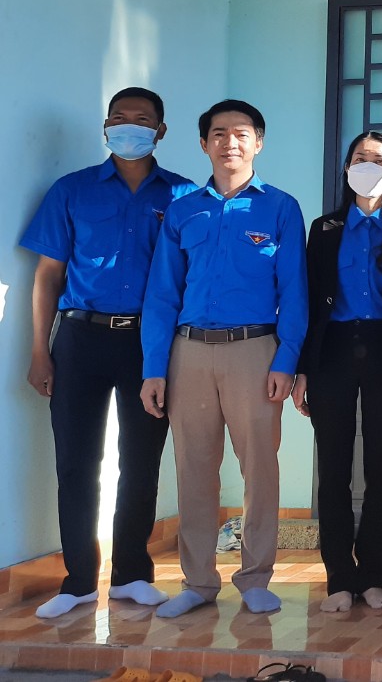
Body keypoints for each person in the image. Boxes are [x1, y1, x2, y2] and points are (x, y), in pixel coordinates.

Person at [20, 87, 195, 619]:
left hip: (150, 343)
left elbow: (191, 276)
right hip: (80, 338)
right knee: (76, 461)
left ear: (160, 131)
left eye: (141, 119)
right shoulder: (71, 190)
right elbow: (48, 275)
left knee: (141, 460)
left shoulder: (184, 196)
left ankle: (132, 574)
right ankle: (77, 581)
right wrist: (40, 350)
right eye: (118, 117)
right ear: (105, 126)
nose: (128, 126)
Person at [141, 99, 307, 618]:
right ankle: (197, 582)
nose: (229, 142)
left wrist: (286, 359)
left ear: (258, 142)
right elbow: (161, 294)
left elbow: (295, 292)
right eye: (218, 133)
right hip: (188, 352)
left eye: (241, 133)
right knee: (193, 469)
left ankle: (255, 578)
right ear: (203, 143)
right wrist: (154, 367)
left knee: (259, 468)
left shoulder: (280, 208)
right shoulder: (183, 210)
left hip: (255, 352)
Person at [291, 131, 382, 613]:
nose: (367, 165)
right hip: (332, 351)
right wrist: (301, 369)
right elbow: (305, 300)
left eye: (378, 160)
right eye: (360, 157)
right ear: (346, 168)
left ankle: (373, 576)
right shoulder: (324, 228)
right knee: (333, 468)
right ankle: (339, 577)